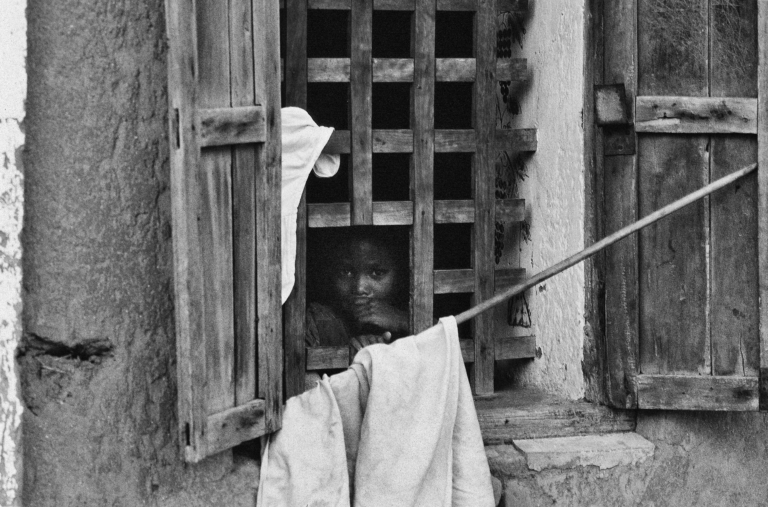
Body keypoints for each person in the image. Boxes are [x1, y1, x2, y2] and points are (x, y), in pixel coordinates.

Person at [306, 227, 410, 353]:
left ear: (400, 277)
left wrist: (404, 321)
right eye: (346, 272)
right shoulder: (318, 321)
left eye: (377, 273)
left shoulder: (409, 318)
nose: (359, 288)